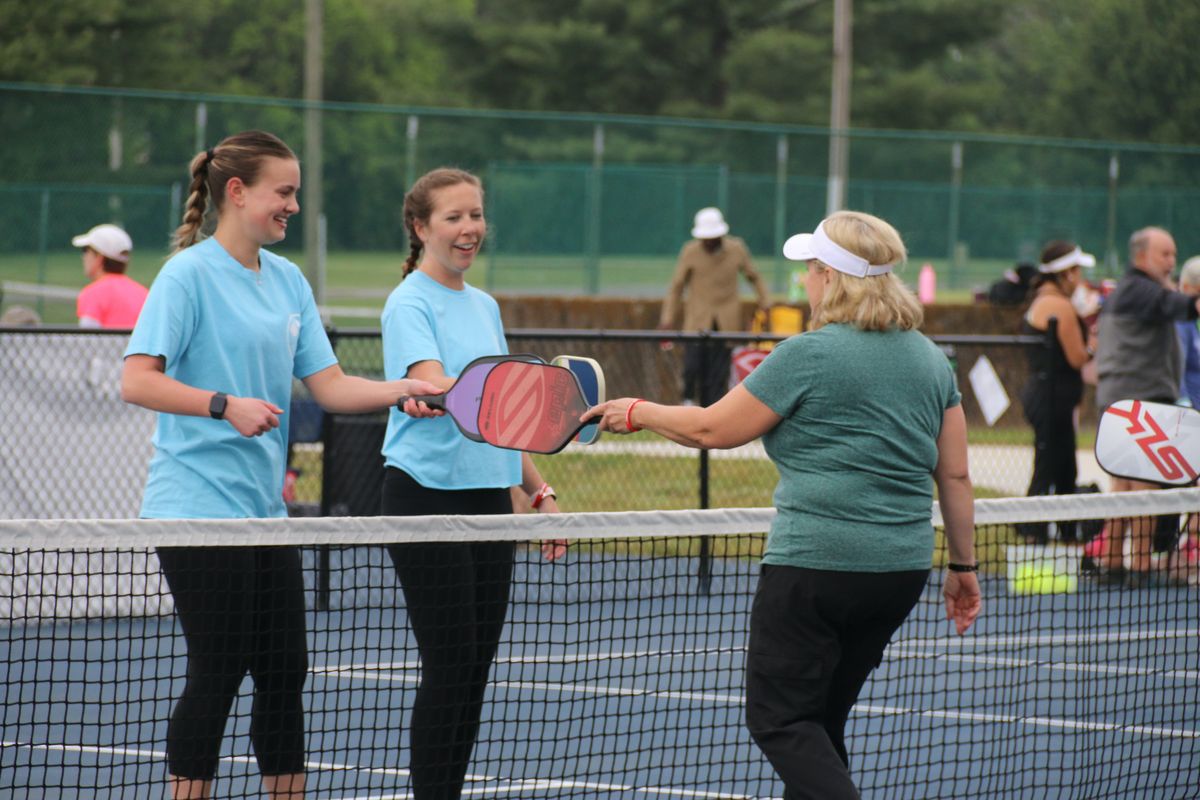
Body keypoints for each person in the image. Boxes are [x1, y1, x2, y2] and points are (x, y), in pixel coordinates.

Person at [587, 210, 981, 800]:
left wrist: (637, 411)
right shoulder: (930, 359)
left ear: (829, 275)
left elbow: (711, 430)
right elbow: (955, 473)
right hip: (899, 572)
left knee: (781, 720)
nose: (805, 281)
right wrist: (963, 568)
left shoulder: (807, 354)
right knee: (819, 725)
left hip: (815, 569)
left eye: (811, 270)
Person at [121, 130, 440, 800]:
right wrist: (222, 405)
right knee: (218, 667)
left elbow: (329, 387)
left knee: (285, 668)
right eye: (284, 192)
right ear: (237, 193)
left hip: (266, 514)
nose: (293, 205)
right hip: (195, 509)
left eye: (296, 192)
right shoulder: (187, 275)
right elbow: (137, 381)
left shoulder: (289, 280)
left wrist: (405, 389)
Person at [379, 167, 565, 800]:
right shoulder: (409, 301)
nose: (469, 229)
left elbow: (506, 415)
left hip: (491, 501)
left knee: (474, 670)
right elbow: (438, 383)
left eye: (476, 215)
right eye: (454, 217)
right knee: (450, 665)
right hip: (424, 495)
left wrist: (538, 493)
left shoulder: (484, 305)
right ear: (420, 226)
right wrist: (431, 395)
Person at [1094, 226, 1200, 586]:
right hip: (1138, 401)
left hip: (1120, 399)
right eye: (1164, 255)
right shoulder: (1143, 291)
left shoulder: (1128, 291)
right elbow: (1181, 306)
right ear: (1141, 257)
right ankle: (1138, 566)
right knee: (1143, 485)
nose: (1172, 262)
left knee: (1123, 482)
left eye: (1173, 254)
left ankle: (1112, 563)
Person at [1018, 241, 1096, 543]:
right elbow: (1078, 356)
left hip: (1049, 396)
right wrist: (1094, 341)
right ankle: (1033, 531)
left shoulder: (1045, 299)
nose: (1079, 277)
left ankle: (1063, 532)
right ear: (1065, 274)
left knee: (1062, 467)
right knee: (1050, 466)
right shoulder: (1059, 306)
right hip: (1051, 398)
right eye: (1076, 271)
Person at [659, 207, 770, 404]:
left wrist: (765, 303)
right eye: (705, 237)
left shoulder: (736, 249)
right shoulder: (690, 251)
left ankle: (712, 412)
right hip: (697, 320)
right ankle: (688, 404)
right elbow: (676, 287)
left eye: (713, 236)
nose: (709, 241)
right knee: (692, 367)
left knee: (718, 376)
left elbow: (754, 277)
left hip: (727, 321)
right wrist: (667, 319)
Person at [72, 223, 149, 328]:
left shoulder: (93, 293)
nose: (83, 257)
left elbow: (87, 339)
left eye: (86, 250)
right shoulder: (144, 294)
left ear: (99, 257)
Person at [1175, 256, 1200, 408]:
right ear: (1185, 287)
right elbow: (1176, 366)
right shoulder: (1181, 320)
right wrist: (1183, 402)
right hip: (1190, 411)